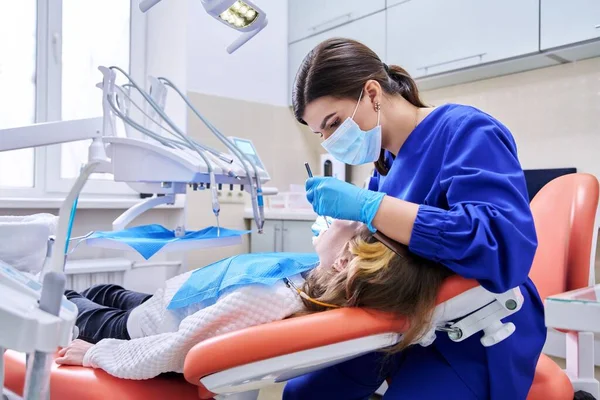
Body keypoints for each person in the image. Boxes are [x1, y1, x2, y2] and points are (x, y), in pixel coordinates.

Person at [287, 38, 545, 400]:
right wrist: (347, 243)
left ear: (372, 93)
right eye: (321, 134)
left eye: (333, 124)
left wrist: (370, 207)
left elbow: (500, 247)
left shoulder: (466, 131)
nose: (330, 140)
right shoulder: (385, 168)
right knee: (303, 394)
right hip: (405, 320)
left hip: (474, 331)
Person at [55, 220, 451, 380]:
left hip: (146, 328)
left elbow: (178, 348)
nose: (340, 224)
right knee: (104, 292)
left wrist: (96, 354)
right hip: (169, 301)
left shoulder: (267, 299)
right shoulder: (310, 280)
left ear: (343, 263)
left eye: (348, 231)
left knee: (75, 302)